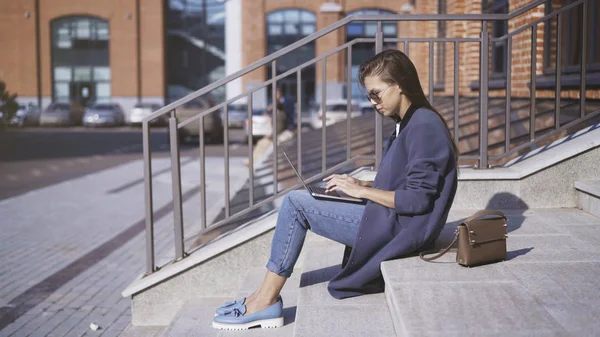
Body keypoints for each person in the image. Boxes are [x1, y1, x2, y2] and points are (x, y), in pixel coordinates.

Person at [213, 49, 459, 330]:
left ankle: (265, 301)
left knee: (296, 204)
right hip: (391, 218)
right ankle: (259, 296)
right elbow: (406, 181)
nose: (372, 102)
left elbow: (417, 200)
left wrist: (363, 193)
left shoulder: (424, 126)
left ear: (399, 85)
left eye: (376, 94)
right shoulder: (409, 122)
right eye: (369, 96)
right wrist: (360, 184)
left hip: (401, 229)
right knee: (302, 199)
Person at [244, 88, 295, 166]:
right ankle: (252, 161)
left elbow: (280, 127)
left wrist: (271, 137)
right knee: (261, 143)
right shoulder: (277, 112)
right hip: (277, 134)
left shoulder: (282, 110)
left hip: (285, 132)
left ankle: (254, 162)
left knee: (264, 144)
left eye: (276, 94)